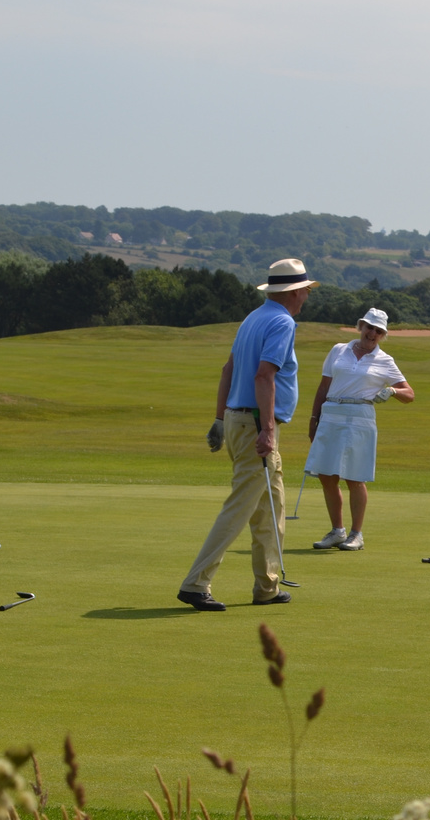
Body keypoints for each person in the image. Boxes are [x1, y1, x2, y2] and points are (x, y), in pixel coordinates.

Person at [176, 259, 314, 611]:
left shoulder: (253, 318)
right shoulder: (282, 322)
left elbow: (228, 369)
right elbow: (263, 377)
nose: (307, 297)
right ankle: (195, 583)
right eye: (305, 291)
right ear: (294, 292)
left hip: (239, 421)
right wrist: (267, 430)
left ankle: (266, 587)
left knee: (272, 508)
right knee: (239, 508)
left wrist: (220, 419)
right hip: (256, 425)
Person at [302, 307, 414, 550]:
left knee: (355, 476)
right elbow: (323, 387)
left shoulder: (385, 361)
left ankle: (356, 534)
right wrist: (314, 418)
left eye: (378, 331)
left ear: (383, 335)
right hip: (331, 414)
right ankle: (337, 531)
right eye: (369, 327)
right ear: (361, 326)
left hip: (360, 417)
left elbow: (409, 394)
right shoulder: (338, 350)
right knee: (326, 476)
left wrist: (393, 391)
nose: (372, 333)